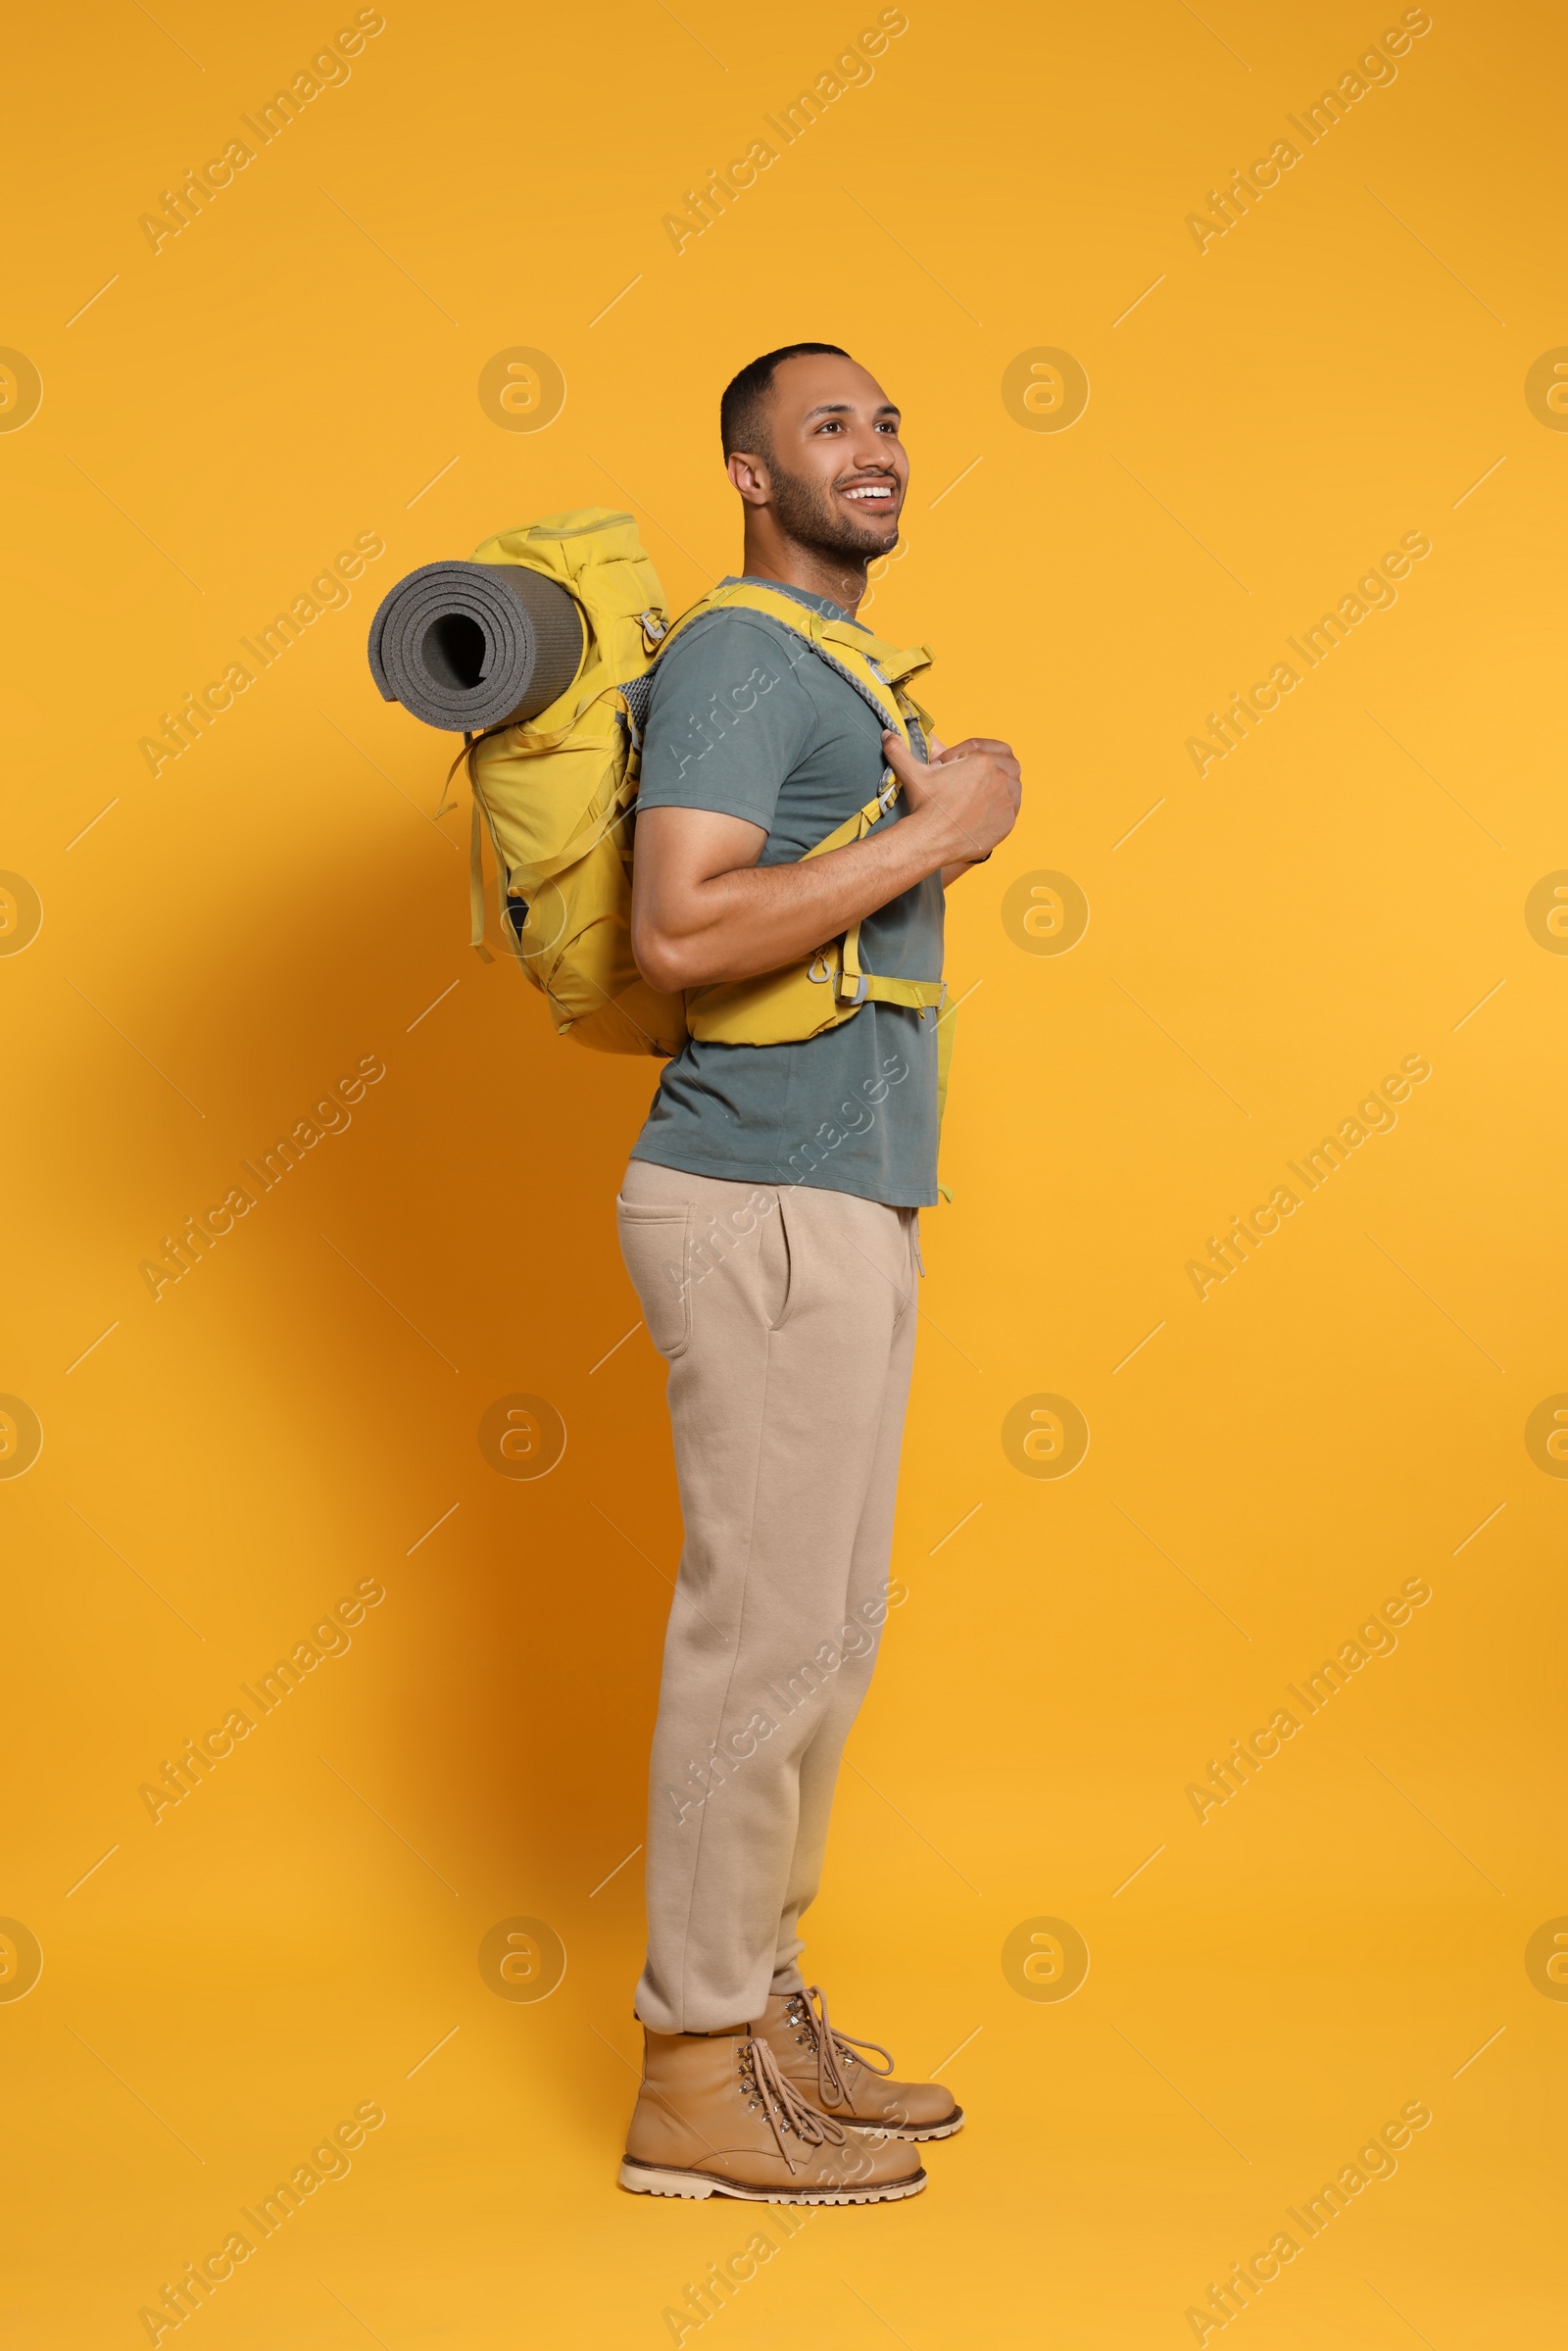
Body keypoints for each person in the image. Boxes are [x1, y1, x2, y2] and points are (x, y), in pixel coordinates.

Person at [615, 343, 1021, 2202]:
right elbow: (677, 922)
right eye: (829, 424)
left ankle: (763, 2016)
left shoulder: (840, 667)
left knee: (823, 1650)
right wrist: (941, 833)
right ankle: (694, 2077)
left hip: (844, 1202)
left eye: (886, 419)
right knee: (757, 1648)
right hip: (757, 1197)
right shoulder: (733, 659)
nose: (874, 446)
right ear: (750, 477)